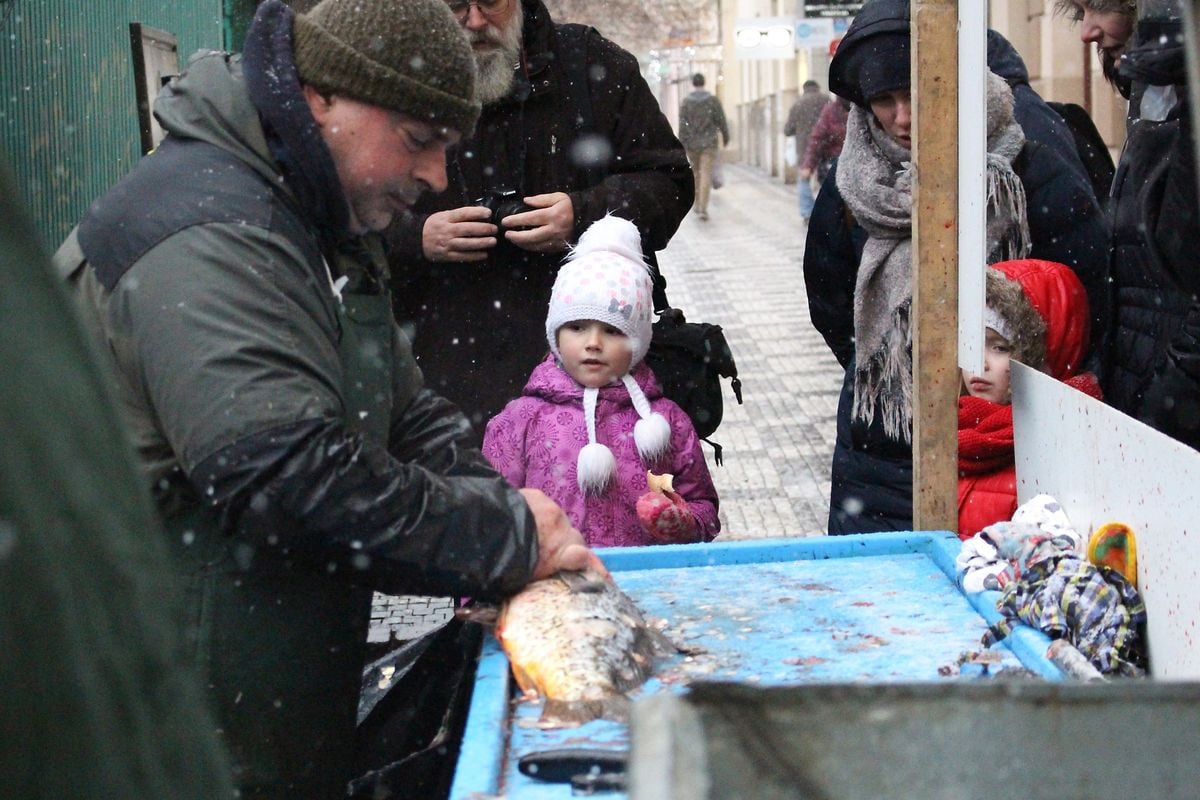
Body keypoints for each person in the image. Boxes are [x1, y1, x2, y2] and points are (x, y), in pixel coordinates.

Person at [54, 1, 604, 796]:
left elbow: (404, 412)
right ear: (321, 100)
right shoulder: (209, 235)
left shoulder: (315, 218)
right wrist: (502, 536)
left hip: (265, 693)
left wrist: (519, 532)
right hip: (168, 720)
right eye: (418, 142)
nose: (436, 178)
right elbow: (287, 480)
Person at [803, 0, 1110, 535]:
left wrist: (1000, 376)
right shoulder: (851, 184)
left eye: (916, 93)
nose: (901, 118)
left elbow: (1083, 298)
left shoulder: (1027, 163)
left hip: (1007, 442)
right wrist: (897, 369)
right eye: (883, 100)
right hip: (882, 445)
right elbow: (831, 299)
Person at [386, 0, 694, 438]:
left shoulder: (589, 65)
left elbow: (669, 182)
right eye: (456, 5)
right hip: (436, 383)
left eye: (489, 2)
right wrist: (416, 237)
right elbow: (337, 213)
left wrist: (584, 215)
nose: (474, 22)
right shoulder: (393, 80)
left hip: (588, 390)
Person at [483, 215, 720, 548]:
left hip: (647, 588)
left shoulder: (667, 422)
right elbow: (489, 524)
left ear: (638, 342)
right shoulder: (517, 422)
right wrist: (481, 600)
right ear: (555, 333)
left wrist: (684, 523)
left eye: (612, 330)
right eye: (577, 327)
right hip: (554, 590)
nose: (593, 343)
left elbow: (704, 508)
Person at [1057, 1, 1200, 449]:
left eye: (1099, 7)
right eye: (1079, 11)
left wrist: (1168, 399)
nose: (1087, 32)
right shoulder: (1155, 94)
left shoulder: (1171, 91)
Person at [958, 260, 1102, 540]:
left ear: (1041, 355)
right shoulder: (957, 430)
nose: (979, 363)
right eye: (970, 344)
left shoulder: (1067, 447)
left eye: (999, 347)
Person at [678, 72, 731, 222]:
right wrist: (726, 137)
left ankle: (696, 203)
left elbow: (682, 124)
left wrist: (681, 143)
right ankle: (702, 207)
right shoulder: (713, 100)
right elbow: (721, 120)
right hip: (709, 143)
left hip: (692, 144)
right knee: (706, 174)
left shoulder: (686, 102)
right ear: (704, 82)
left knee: (695, 174)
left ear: (693, 84)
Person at [784, 79, 831, 222]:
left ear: (804, 89)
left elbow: (788, 130)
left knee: (804, 180)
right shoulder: (826, 100)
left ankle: (807, 212)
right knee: (827, 180)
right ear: (817, 88)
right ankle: (829, 210)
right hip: (826, 146)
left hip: (804, 147)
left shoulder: (798, 104)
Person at [800, 96, 850, 194]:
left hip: (852, 164)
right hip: (835, 163)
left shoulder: (862, 110)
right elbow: (817, 139)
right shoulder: (831, 111)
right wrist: (808, 165)